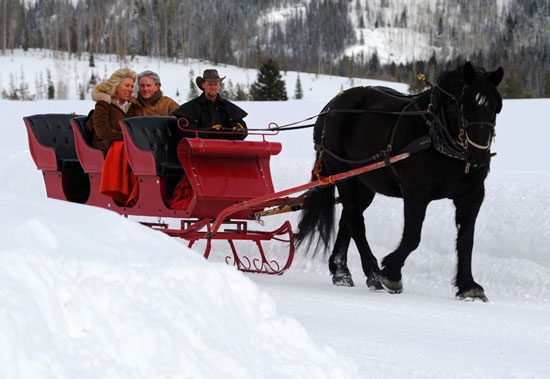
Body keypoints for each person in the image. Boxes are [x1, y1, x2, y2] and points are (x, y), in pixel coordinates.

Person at [86, 68, 139, 206]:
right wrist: (128, 137)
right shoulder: (103, 104)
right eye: (126, 85)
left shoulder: (133, 106)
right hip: (105, 145)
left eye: (132, 86)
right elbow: (102, 132)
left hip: (127, 144)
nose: (130, 89)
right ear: (116, 86)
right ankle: (123, 193)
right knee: (126, 148)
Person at [173, 69, 248, 140]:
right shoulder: (190, 108)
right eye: (210, 84)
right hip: (198, 152)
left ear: (219, 86)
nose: (213, 87)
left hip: (226, 151)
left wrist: (240, 132)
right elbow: (186, 132)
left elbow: (242, 132)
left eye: (215, 84)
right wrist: (209, 132)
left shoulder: (229, 108)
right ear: (203, 85)